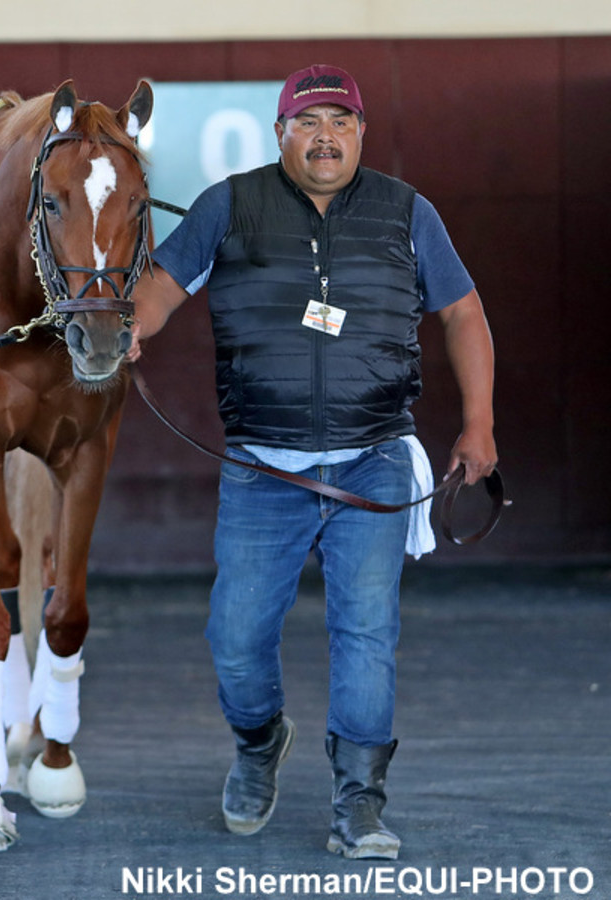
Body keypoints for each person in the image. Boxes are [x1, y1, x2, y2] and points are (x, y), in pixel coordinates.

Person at [128, 65, 497, 860]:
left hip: (373, 463)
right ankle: (260, 744)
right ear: (280, 133)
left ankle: (359, 800)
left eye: (341, 120)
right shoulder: (229, 204)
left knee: (366, 632)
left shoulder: (408, 212)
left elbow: (464, 311)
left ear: (361, 131)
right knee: (236, 636)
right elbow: (161, 284)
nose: (325, 134)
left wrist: (478, 427)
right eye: (308, 121)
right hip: (266, 468)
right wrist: (134, 327)